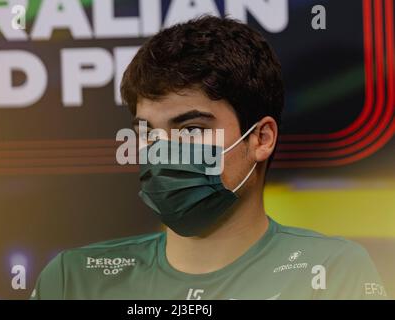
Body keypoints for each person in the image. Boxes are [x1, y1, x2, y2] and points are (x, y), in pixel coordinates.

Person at [31, 16, 386, 300]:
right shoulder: (73, 280)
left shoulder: (330, 272)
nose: (163, 149)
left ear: (261, 139)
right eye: (148, 132)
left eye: (192, 130)